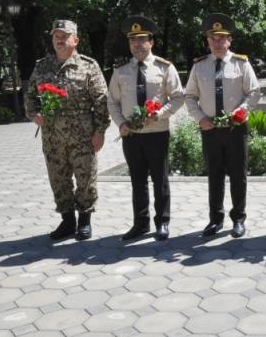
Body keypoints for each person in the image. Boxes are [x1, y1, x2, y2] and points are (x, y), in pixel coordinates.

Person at [25, 19, 110, 241]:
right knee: (58, 178)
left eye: (64, 35)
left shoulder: (88, 66)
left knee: (85, 178)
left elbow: (101, 100)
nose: (59, 39)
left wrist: (100, 131)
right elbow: (30, 96)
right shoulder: (42, 66)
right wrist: (35, 115)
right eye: (56, 36)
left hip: (83, 135)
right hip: (52, 136)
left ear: (76, 39)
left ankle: (84, 221)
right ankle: (67, 221)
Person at [107, 15, 185, 241]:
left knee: (160, 180)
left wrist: (159, 114)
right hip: (131, 134)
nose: (137, 45)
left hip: (157, 133)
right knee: (137, 181)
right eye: (133, 41)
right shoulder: (121, 70)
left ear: (151, 42)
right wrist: (121, 123)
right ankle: (140, 224)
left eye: (142, 40)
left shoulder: (164, 67)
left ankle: (162, 222)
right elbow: (112, 101)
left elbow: (178, 97)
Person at [185, 14, 260, 238]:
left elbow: (254, 92)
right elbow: (189, 96)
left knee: (238, 175)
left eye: (221, 38)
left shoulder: (241, 63)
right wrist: (200, 118)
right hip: (210, 129)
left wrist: (241, 111)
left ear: (229, 40)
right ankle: (215, 220)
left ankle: (238, 219)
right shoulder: (199, 67)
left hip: (235, 129)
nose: (217, 43)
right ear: (208, 41)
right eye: (212, 38)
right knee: (214, 175)